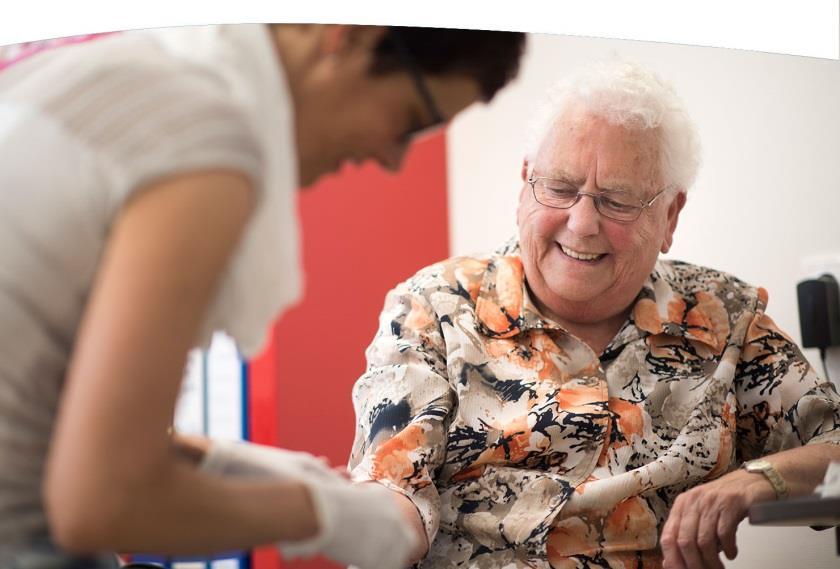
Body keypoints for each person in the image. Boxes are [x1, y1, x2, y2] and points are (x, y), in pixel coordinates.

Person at [0, 24, 526, 569]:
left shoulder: (83, 80)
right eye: (412, 122)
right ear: (352, 34)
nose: (392, 160)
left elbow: (42, 427)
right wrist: (330, 516)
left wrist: (282, 476)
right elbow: (102, 500)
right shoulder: (203, 138)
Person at [347, 60, 840, 569]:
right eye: (560, 188)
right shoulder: (435, 307)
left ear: (670, 215)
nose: (581, 224)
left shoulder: (722, 317)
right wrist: (334, 518)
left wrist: (758, 479)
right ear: (524, 185)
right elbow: (394, 487)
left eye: (617, 201)